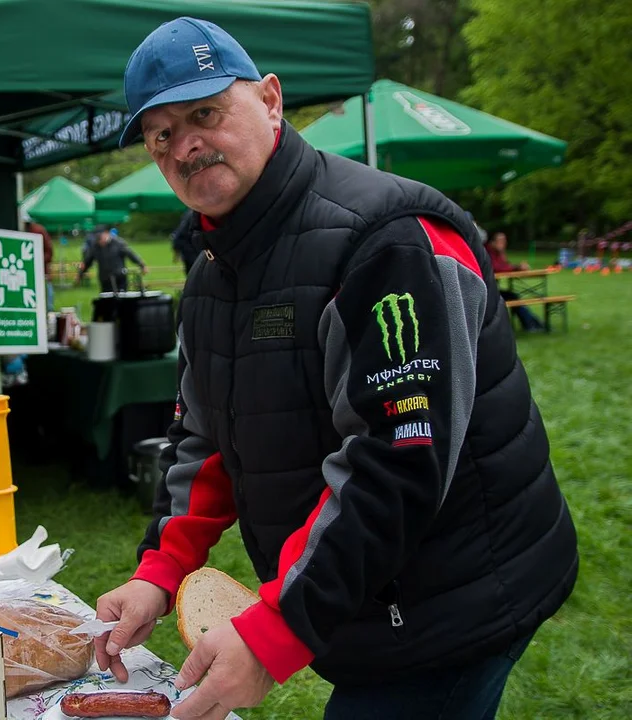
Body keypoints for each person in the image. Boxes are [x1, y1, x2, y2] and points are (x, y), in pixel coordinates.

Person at [94, 17, 578, 720]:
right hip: (367, 593)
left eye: (204, 113)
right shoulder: (209, 273)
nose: (186, 146)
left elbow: (397, 462)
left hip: (462, 591)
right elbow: (204, 442)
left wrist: (271, 637)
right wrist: (159, 573)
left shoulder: (387, 240)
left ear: (269, 100)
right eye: (161, 134)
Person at [485, 232, 546, 332]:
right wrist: (517, 267)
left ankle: (533, 323)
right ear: (492, 242)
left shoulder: (497, 253)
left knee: (512, 296)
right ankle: (531, 324)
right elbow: (497, 268)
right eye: (500, 241)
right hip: (487, 293)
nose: (503, 243)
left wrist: (516, 267)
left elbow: (504, 265)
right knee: (511, 297)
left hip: (493, 290)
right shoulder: (488, 252)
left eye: (504, 241)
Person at [77, 225, 148, 293]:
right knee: (107, 300)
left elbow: (131, 254)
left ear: (106, 234)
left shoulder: (118, 243)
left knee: (121, 300)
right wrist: (80, 275)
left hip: (119, 278)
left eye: (100, 237)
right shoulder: (95, 247)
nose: (99, 241)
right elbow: (88, 262)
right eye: (97, 238)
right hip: (105, 279)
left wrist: (142, 265)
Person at [171, 209, 201, 273]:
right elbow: (180, 236)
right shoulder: (194, 214)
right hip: (192, 253)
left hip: (192, 252)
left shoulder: (190, 213)